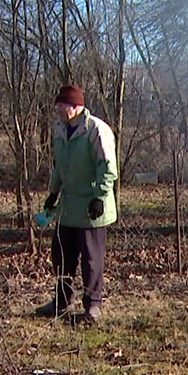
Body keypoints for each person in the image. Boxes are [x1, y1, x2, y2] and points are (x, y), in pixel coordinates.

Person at [35, 84, 119, 322]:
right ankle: (61, 301)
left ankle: (93, 304)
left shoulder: (96, 130)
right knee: (61, 254)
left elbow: (107, 167)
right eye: (57, 106)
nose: (58, 110)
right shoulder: (60, 129)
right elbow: (59, 166)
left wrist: (100, 197)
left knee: (91, 259)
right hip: (69, 206)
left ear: (76, 106)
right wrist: (53, 194)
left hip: (92, 207)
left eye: (62, 106)